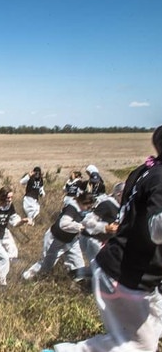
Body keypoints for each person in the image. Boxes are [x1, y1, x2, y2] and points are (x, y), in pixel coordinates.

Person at [51, 125, 162, 352]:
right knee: (137, 346)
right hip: (127, 275)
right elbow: (157, 230)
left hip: (126, 270)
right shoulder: (160, 177)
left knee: (143, 340)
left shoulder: (144, 170)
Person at [21, 192, 95, 282]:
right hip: (55, 239)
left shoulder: (83, 211)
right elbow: (63, 224)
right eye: (88, 207)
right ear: (83, 202)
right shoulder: (71, 209)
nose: (89, 209)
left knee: (78, 264)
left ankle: (79, 283)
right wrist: (79, 226)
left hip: (71, 241)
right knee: (46, 265)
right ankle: (26, 277)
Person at [79, 182, 123, 264]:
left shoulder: (123, 207)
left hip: (107, 242)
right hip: (94, 240)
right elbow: (87, 221)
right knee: (99, 267)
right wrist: (105, 228)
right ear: (119, 194)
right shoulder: (107, 204)